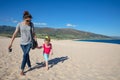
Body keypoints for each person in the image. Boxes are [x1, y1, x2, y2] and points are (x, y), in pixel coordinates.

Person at [8, 11, 37, 76]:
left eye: (30, 21)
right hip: (22, 43)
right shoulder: (19, 24)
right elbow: (15, 34)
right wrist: (11, 43)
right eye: (27, 21)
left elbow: (33, 33)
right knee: (26, 55)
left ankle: (22, 70)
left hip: (29, 42)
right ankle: (29, 65)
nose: (28, 22)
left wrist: (36, 40)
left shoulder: (31, 24)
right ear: (24, 19)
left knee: (25, 54)